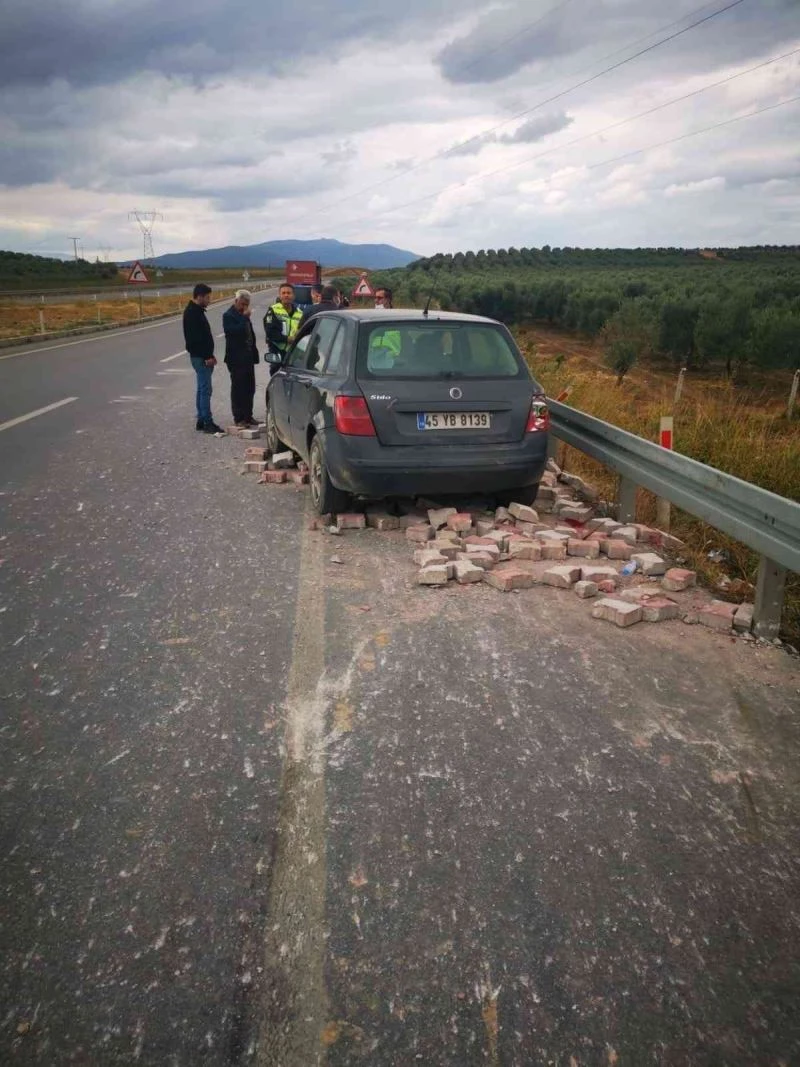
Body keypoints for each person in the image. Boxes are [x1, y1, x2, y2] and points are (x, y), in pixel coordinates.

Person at [183, 283, 223, 433]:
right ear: (199, 297)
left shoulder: (196, 311)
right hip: (201, 357)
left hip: (201, 356)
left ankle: (201, 419)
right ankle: (207, 422)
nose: (209, 300)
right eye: (207, 297)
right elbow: (195, 339)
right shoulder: (192, 314)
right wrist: (207, 356)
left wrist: (210, 354)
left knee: (201, 388)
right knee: (205, 389)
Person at [223, 289, 259, 428]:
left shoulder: (244, 315)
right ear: (236, 301)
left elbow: (249, 333)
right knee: (238, 388)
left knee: (250, 388)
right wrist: (244, 318)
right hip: (236, 358)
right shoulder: (228, 315)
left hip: (248, 357)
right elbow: (233, 332)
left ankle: (248, 416)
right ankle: (239, 418)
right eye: (242, 304)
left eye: (246, 304)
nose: (244, 307)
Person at [264, 283, 304, 373]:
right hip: (277, 350)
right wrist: (287, 339)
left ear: (293, 296)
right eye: (283, 293)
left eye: (289, 293)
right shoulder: (273, 310)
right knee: (276, 375)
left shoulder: (300, 313)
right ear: (280, 295)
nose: (286, 295)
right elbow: (270, 332)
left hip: (293, 352)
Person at [370, 286, 401, 359]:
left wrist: (389, 355)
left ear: (388, 300)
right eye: (375, 298)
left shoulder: (397, 318)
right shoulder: (370, 318)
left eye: (379, 298)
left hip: (391, 360)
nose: (376, 301)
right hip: (372, 359)